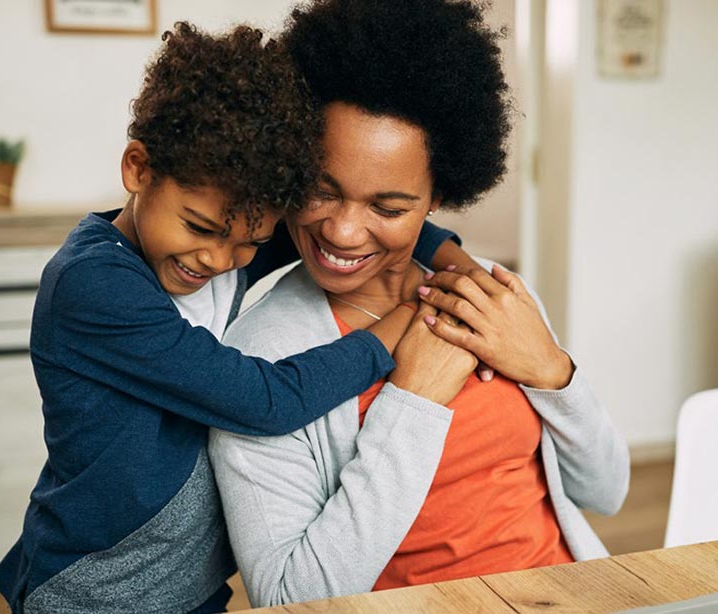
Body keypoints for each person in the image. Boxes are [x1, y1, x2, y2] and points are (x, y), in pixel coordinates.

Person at [0, 22, 469, 614]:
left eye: (250, 243)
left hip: (195, 591)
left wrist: (455, 262)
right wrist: (400, 323)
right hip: (93, 592)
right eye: (199, 227)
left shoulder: (232, 227)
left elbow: (350, 232)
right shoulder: (95, 285)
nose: (218, 260)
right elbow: (267, 401)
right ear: (138, 168)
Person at [210, 0, 630, 607]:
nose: (344, 233)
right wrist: (413, 400)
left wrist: (551, 371)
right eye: (320, 190)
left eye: (388, 208)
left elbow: (607, 491)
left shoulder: (493, 296)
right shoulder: (261, 361)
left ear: (438, 198)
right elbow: (287, 598)